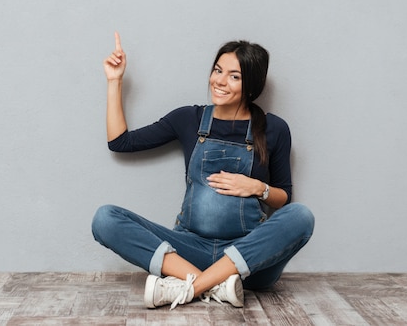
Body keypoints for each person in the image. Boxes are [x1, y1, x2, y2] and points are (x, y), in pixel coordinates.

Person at [92, 32, 315, 310]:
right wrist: (115, 81)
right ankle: (216, 287)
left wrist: (258, 187)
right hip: (189, 250)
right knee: (105, 219)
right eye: (218, 70)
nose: (219, 81)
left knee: (302, 217)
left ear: (251, 85)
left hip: (248, 257)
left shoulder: (274, 129)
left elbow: (285, 197)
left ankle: (193, 287)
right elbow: (120, 142)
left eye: (234, 76)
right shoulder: (188, 119)